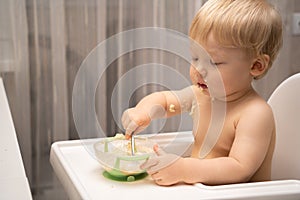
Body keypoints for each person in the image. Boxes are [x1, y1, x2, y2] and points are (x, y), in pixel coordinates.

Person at [121, 0, 283, 186]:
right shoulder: (200, 95)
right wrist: (143, 111)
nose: (198, 70)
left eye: (214, 63)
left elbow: (240, 168)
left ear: (256, 66)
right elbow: (165, 101)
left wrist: (182, 169)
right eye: (195, 57)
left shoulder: (255, 113)